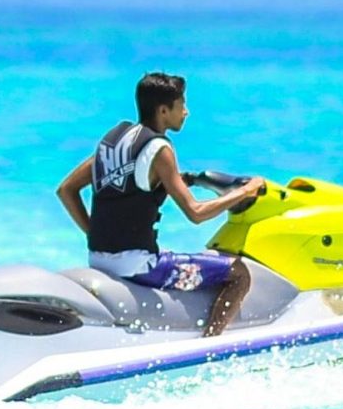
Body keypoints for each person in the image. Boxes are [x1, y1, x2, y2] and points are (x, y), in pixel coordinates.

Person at [56, 71, 268, 337]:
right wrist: (245, 191)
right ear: (164, 110)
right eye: (182, 104)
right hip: (137, 266)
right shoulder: (160, 149)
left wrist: (94, 233)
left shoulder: (112, 142)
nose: (186, 112)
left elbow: (67, 190)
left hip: (98, 258)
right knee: (238, 273)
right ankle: (210, 345)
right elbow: (196, 213)